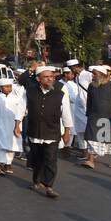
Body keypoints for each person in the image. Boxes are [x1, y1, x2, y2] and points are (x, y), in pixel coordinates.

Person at [24, 66, 73, 197]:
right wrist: (17, 124)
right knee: (36, 158)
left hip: (52, 131)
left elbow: (66, 113)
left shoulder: (61, 92)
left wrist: (67, 131)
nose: (50, 79)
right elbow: (22, 108)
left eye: (51, 76)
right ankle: (36, 181)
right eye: (46, 77)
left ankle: (49, 186)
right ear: (38, 79)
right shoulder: (30, 91)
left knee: (51, 159)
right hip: (35, 131)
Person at [82, 65, 111, 169]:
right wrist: (88, 114)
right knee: (92, 137)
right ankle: (91, 160)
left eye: (94, 74)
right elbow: (89, 101)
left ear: (102, 75)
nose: (92, 76)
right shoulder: (92, 86)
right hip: (94, 117)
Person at [63, 65, 88, 159]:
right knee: (68, 128)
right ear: (65, 74)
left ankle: (86, 151)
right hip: (67, 109)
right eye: (70, 72)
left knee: (78, 129)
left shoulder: (75, 83)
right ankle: (66, 148)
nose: (72, 74)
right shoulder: (60, 84)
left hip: (79, 109)